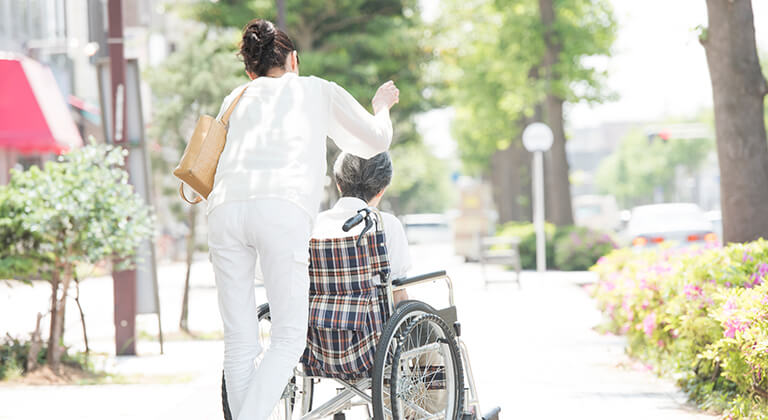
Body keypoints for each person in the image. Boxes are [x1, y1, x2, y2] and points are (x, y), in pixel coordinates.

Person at [207, 18, 399, 420]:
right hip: (281, 209)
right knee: (289, 339)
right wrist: (381, 107)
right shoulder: (316, 90)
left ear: (249, 69)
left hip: (223, 211)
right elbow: (373, 142)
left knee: (240, 341)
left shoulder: (235, 97)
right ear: (293, 59)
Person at [312, 152, 410, 303]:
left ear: (339, 184)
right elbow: (398, 294)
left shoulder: (315, 224)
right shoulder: (385, 224)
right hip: (374, 324)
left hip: (318, 322)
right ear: (381, 190)